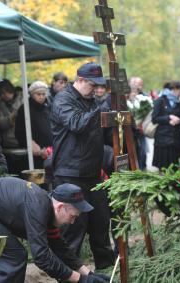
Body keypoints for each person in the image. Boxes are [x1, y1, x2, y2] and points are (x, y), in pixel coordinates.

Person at [0, 177, 110, 283]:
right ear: (60, 207)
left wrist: (88, 274)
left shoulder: (46, 208)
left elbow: (58, 246)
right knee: (14, 256)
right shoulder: (38, 207)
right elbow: (41, 256)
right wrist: (79, 279)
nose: (73, 222)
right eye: (73, 216)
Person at [50, 62, 115, 269]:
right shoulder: (63, 100)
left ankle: (104, 273)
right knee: (73, 231)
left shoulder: (92, 101)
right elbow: (77, 124)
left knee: (101, 226)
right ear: (79, 80)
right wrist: (102, 108)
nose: (96, 89)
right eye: (92, 85)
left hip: (94, 175)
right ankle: (70, 276)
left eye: (98, 85)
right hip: (70, 176)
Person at [15, 81, 52, 169]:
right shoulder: (25, 109)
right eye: (38, 94)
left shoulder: (48, 107)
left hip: (49, 152)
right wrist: (29, 142)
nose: (41, 97)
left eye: (43, 94)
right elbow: (19, 132)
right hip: (33, 155)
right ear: (32, 94)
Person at [152, 80, 180, 170]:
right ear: (173, 89)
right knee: (163, 167)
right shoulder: (160, 100)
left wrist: (178, 121)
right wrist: (168, 117)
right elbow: (154, 119)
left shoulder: (179, 102)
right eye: (179, 90)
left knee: (174, 167)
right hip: (163, 139)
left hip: (175, 140)